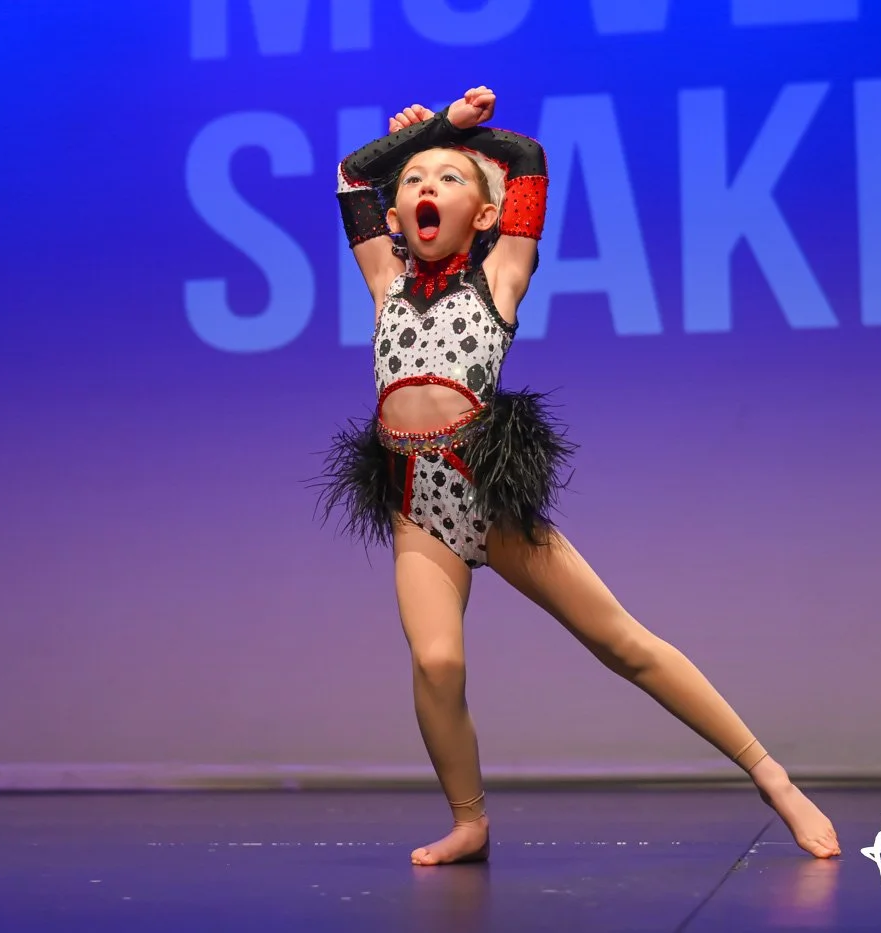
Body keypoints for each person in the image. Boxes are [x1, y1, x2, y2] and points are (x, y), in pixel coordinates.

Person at [317, 86, 840, 866]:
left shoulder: (499, 282)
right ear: (397, 220)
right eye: (416, 180)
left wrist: (457, 132)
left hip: (487, 494)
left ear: (485, 216)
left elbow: (525, 159)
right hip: (417, 505)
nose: (427, 186)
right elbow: (354, 175)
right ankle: (470, 820)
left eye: (451, 180)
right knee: (437, 661)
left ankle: (774, 777)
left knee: (622, 642)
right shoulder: (384, 280)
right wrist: (431, 135)